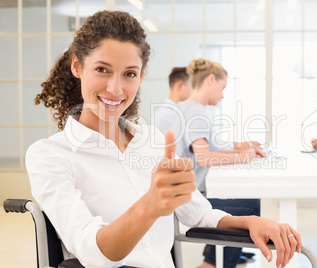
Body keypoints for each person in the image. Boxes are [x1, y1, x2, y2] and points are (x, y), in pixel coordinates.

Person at [25, 10, 301, 268]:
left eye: (129, 74)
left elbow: (200, 215)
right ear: (77, 66)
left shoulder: (152, 141)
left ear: (142, 76)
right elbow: (94, 253)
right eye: (102, 69)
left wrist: (249, 221)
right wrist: (151, 205)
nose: (115, 88)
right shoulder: (49, 156)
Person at [170, 58, 267, 268]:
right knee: (249, 205)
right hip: (188, 199)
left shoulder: (188, 107)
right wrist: (246, 155)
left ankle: (214, 258)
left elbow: (213, 147)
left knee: (245, 202)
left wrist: (244, 147)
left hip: (184, 192)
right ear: (211, 80)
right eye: (222, 88)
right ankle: (211, 264)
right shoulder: (195, 111)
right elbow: (206, 157)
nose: (222, 94)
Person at [154, 67, 192, 134]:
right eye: (192, 86)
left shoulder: (177, 112)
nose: (193, 91)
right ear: (180, 86)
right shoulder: (166, 116)